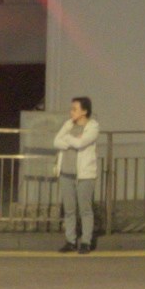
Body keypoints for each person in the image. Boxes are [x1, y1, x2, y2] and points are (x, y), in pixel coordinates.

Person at [52, 96, 107, 251]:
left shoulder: (93, 126)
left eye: (75, 109)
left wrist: (68, 139)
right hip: (66, 173)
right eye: (72, 108)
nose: (71, 112)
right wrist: (72, 140)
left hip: (84, 175)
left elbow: (80, 143)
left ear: (84, 111)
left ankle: (86, 242)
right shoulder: (68, 124)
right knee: (69, 209)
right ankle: (70, 241)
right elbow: (56, 141)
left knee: (85, 209)